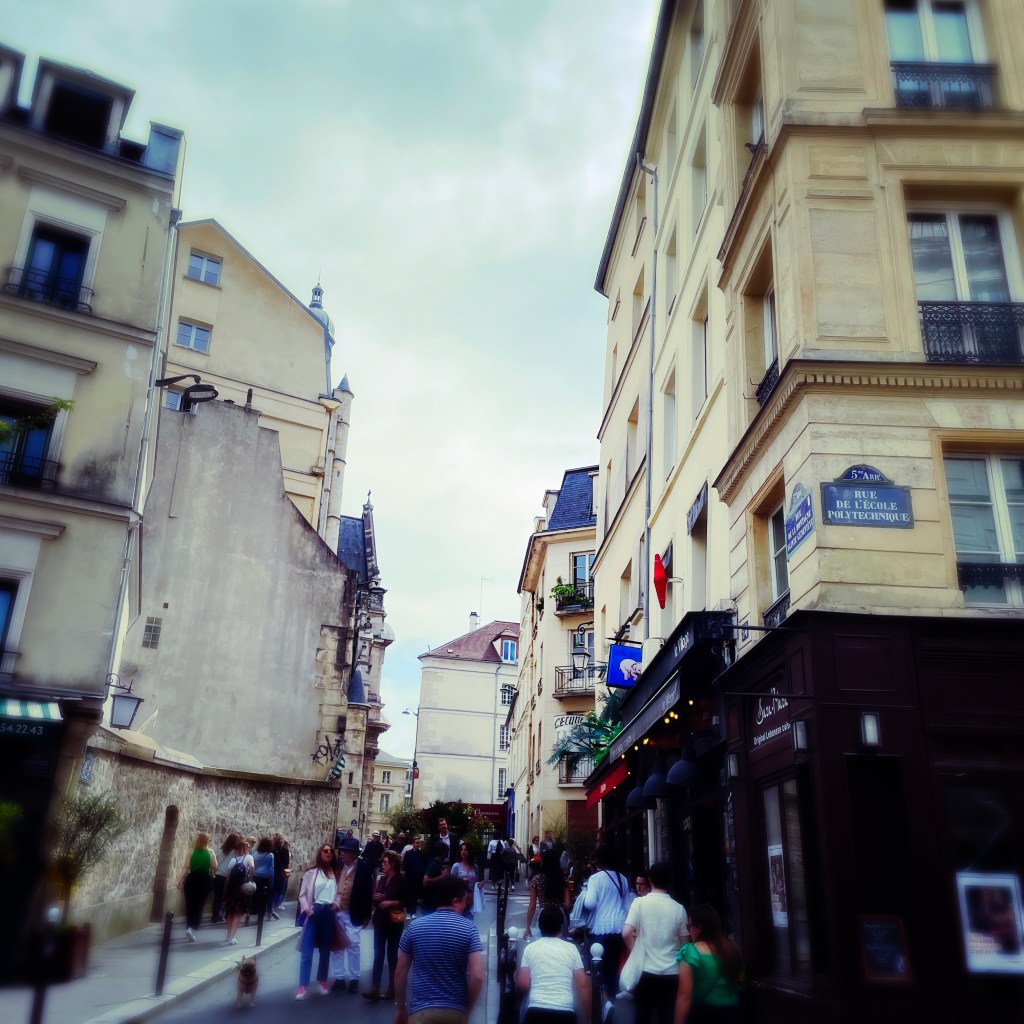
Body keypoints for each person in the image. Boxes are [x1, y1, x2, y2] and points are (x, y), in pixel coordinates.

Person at [394, 876, 483, 1024]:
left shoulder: (415, 927)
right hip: (455, 1011)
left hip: (421, 1011)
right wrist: (467, 1008)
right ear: (455, 901)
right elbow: (478, 977)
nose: (466, 906)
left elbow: (400, 972)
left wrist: (400, 1008)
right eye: (464, 901)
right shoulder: (469, 929)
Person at [623, 862, 689, 1024]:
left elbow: (625, 933)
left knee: (643, 1015)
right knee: (666, 1016)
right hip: (672, 972)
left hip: (646, 970)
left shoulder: (639, 903)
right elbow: (685, 944)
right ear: (669, 881)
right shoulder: (679, 909)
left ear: (650, 880)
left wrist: (636, 950)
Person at [518, 905, 591, 1024]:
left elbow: (523, 984)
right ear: (561, 927)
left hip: (536, 1011)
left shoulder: (530, 949)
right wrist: (589, 1020)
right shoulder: (571, 949)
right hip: (565, 1012)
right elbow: (583, 985)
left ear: (540, 926)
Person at [674, 904, 742, 1024]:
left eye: (689, 926)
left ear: (699, 927)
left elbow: (684, 996)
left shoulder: (691, 951)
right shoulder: (733, 949)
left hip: (706, 1013)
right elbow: (740, 982)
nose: (688, 931)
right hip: (733, 1012)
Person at [582, 845, 632, 996]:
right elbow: (627, 906)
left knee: (598, 966)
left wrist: (584, 895)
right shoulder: (622, 878)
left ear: (598, 860)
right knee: (613, 966)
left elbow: (589, 904)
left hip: (600, 928)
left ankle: (602, 1002)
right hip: (619, 928)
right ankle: (611, 997)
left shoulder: (595, 879)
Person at [296, 842, 340, 1000]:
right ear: (320, 854)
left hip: (329, 912)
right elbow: (302, 894)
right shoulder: (311, 873)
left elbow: (339, 893)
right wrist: (308, 910)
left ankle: (322, 982)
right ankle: (302, 987)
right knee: (307, 951)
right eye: (325, 851)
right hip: (314, 912)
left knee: (325, 951)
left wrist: (336, 905)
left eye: (330, 851)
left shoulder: (335, 873)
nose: (328, 853)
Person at [331, 835, 374, 993]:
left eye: (346, 851)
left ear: (354, 853)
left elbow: (368, 893)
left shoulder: (363, 867)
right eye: (342, 851)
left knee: (353, 945)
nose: (342, 854)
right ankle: (339, 978)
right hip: (337, 912)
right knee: (337, 946)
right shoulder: (338, 865)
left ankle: (354, 978)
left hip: (353, 912)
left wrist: (366, 915)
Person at [364, 850, 407, 1001]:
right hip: (380, 920)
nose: (382, 864)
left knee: (392, 955)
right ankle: (375, 988)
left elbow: (406, 901)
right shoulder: (382, 879)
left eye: (385, 862)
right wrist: (376, 898)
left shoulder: (401, 880)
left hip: (394, 922)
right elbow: (376, 900)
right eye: (382, 862)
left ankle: (392, 988)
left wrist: (391, 901)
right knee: (378, 954)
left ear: (393, 864)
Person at [177, 832, 216, 942]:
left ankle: (188, 927)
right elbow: (215, 866)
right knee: (199, 904)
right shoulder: (210, 852)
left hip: (191, 879)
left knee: (190, 904)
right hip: (205, 880)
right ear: (207, 841)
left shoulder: (191, 851)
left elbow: (185, 867)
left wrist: (179, 880)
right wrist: (211, 870)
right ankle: (192, 928)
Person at [524, 848, 570, 938]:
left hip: (544, 914)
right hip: (559, 915)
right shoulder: (562, 879)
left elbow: (532, 906)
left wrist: (528, 927)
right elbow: (567, 904)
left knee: (540, 945)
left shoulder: (537, 879)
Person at [222, 839, 254, 944]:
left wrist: (226, 890)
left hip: (231, 888)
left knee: (230, 913)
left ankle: (227, 935)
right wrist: (249, 880)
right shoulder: (248, 857)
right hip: (241, 888)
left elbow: (228, 877)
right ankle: (232, 937)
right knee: (237, 914)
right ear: (246, 848)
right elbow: (253, 868)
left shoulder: (233, 860)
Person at [211, 831, 240, 924]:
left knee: (217, 898)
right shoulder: (236, 852)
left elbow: (216, 862)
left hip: (218, 875)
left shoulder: (221, 849)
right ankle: (227, 916)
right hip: (229, 877)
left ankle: (214, 917)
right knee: (229, 897)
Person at [451, 842, 484, 918]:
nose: (463, 852)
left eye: (465, 850)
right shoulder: (456, 866)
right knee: (459, 919)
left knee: (469, 918)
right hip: (460, 897)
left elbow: (476, 882)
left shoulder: (475, 867)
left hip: (471, 897)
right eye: (462, 850)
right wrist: (460, 881)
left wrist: (479, 885)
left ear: (470, 852)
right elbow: (451, 883)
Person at [419, 843, 449, 914]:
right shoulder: (433, 864)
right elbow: (425, 882)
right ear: (443, 852)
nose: (448, 852)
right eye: (447, 850)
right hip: (429, 907)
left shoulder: (439, 864)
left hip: (435, 905)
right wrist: (442, 876)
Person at [251, 837, 275, 923]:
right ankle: (260, 918)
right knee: (264, 898)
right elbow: (271, 868)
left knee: (255, 896)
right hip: (265, 878)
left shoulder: (255, 853)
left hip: (255, 876)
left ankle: (253, 913)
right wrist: (272, 880)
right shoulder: (270, 855)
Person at [402, 836, 426, 915]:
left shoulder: (422, 854)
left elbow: (423, 866)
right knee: (409, 895)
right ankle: (409, 911)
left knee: (415, 896)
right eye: (417, 842)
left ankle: (413, 912)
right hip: (409, 877)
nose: (419, 844)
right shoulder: (408, 853)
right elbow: (405, 865)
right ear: (413, 844)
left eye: (420, 843)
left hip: (418, 878)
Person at [271, 833, 290, 916]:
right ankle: (275, 906)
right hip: (281, 873)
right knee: (279, 890)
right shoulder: (285, 850)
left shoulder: (271, 850)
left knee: (272, 889)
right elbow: (286, 863)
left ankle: (270, 906)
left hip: (272, 872)